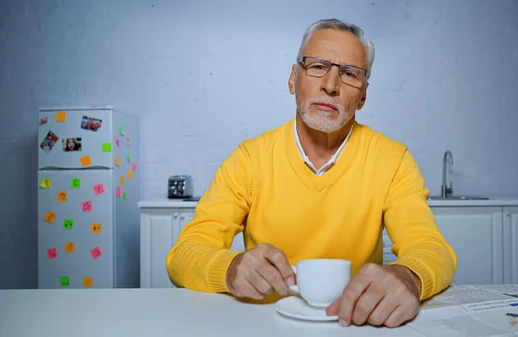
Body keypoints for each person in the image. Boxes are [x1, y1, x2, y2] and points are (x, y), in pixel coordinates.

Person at [166, 18, 457, 328]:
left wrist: (409, 276)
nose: (330, 85)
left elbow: (430, 247)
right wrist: (230, 268)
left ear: (363, 95)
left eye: (349, 74)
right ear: (293, 78)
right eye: (317, 66)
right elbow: (184, 253)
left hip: (355, 325)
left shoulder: (392, 160)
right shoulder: (250, 159)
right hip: (262, 324)